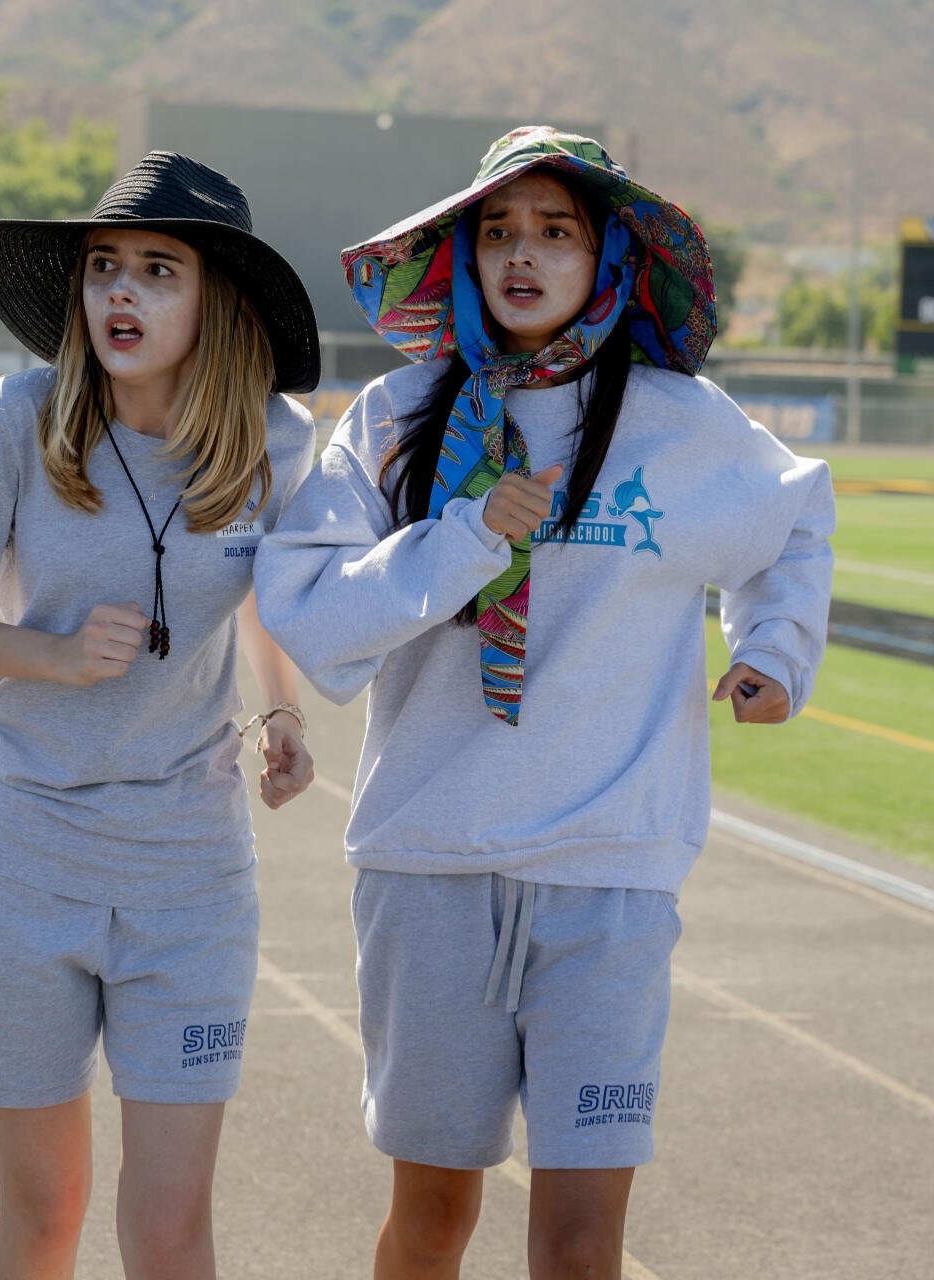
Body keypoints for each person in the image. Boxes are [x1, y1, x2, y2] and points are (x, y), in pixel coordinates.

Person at [255, 126, 835, 1279]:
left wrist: (774, 647)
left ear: (607, 253)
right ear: (463, 256)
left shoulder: (684, 421)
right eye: (497, 230)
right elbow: (313, 619)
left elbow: (797, 520)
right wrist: (465, 538)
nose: (523, 255)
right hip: (429, 863)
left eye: (555, 231)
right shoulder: (395, 416)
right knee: (430, 1223)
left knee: (580, 1246)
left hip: (609, 875)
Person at [0, 151, 324, 1280]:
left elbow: (265, 589)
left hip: (189, 862)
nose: (120, 293)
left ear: (216, 300)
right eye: (105, 268)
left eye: (157, 271)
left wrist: (284, 710)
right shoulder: (22, 418)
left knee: (171, 1222)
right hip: (24, 847)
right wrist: (53, 654)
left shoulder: (276, 442)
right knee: (45, 1211)